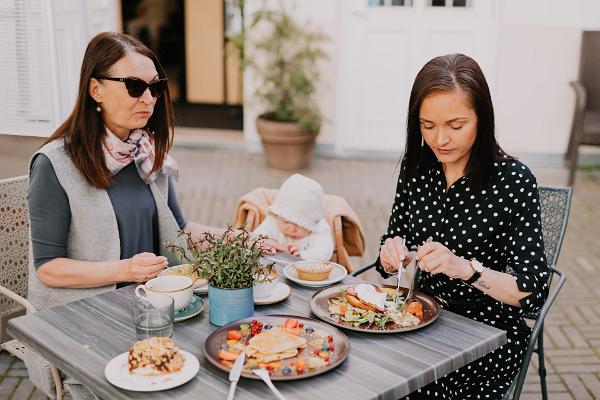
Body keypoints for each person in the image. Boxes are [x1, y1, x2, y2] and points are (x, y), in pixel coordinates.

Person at [24, 32, 274, 400]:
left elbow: (181, 231)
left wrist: (240, 238)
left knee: (236, 362)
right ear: (95, 90)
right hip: (86, 322)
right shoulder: (54, 165)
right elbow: (48, 268)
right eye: (134, 86)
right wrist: (125, 270)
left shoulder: (144, 151)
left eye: (155, 87)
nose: (148, 98)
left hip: (154, 311)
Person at [376, 54, 550, 399]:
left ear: (481, 120)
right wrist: (391, 253)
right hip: (419, 318)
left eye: (455, 126)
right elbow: (395, 241)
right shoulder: (417, 166)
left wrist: (466, 270)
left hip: (486, 333)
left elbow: (531, 292)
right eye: (428, 126)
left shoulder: (514, 181)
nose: (440, 139)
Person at [253, 174, 334, 260]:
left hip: (306, 270)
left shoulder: (319, 229)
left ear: (311, 224)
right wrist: (274, 244)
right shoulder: (273, 220)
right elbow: (256, 238)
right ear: (278, 214)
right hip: (273, 267)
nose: (292, 229)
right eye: (286, 221)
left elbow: (324, 251)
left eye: (300, 225)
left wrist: (301, 255)